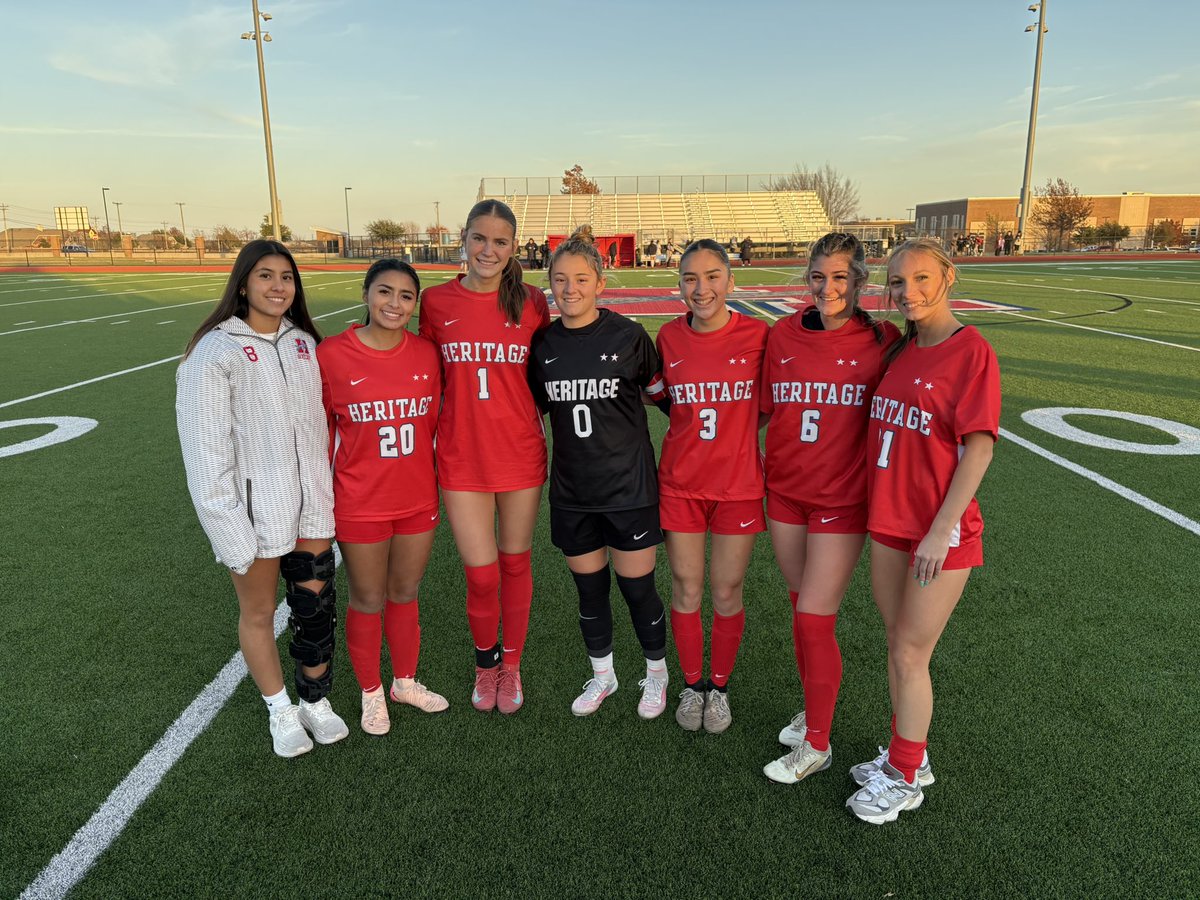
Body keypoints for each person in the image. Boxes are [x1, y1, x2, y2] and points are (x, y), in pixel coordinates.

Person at [845, 237, 1000, 824]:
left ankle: (905, 776)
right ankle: (908, 755)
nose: (907, 292)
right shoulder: (902, 350)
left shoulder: (970, 352)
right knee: (899, 643)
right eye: (898, 282)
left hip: (938, 531)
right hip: (889, 520)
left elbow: (978, 450)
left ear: (948, 277)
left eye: (920, 279)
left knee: (911, 652)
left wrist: (942, 529)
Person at [176, 239, 348, 758]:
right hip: (255, 510)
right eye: (266, 276)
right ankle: (279, 707)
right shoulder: (215, 351)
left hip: (312, 503)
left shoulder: (305, 343)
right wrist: (226, 522)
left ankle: (315, 700)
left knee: (315, 609)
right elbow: (205, 449)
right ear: (244, 282)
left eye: (287, 278)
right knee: (258, 613)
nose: (278, 287)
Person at [756, 233, 900, 783]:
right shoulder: (782, 334)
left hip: (842, 499)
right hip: (786, 492)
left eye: (841, 277)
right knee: (802, 612)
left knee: (816, 618)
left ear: (860, 281)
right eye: (819, 276)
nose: (828, 287)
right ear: (807, 278)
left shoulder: (883, 339)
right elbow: (765, 410)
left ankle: (818, 744)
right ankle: (815, 713)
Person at [527, 226, 670, 719]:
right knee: (589, 591)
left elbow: (664, 399)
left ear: (600, 283)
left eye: (581, 279)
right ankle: (603, 675)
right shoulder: (543, 345)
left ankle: (656, 674)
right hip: (572, 491)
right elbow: (535, 411)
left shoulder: (629, 336)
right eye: (560, 280)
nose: (570, 289)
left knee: (637, 589)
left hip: (628, 489)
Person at [418, 200, 551, 714]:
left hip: (520, 454)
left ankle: (511, 667)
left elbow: (547, 373)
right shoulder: (435, 302)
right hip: (461, 458)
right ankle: (485, 664)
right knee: (481, 573)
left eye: (499, 241)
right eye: (479, 238)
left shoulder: (533, 302)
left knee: (516, 564)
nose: (488, 250)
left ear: (514, 248)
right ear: (463, 240)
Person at [317, 258, 448, 736]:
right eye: (385, 292)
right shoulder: (331, 354)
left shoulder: (428, 355)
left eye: (406, 296)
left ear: (415, 305)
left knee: (405, 593)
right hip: (360, 502)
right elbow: (320, 435)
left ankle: (405, 682)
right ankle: (372, 693)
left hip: (417, 498)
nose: (395, 303)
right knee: (368, 598)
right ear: (366, 294)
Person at [644, 238, 768, 734]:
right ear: (679, 285)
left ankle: (720, 686)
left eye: (713, 276)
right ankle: (692, 684)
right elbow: (660, 398)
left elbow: (769, 403)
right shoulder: (669, 338)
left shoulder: (760, 336)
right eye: (691, 278)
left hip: (738, 484)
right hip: (681, 484)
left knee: (727, 589)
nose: (702, 288)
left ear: (730, 281)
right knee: (687, 586)